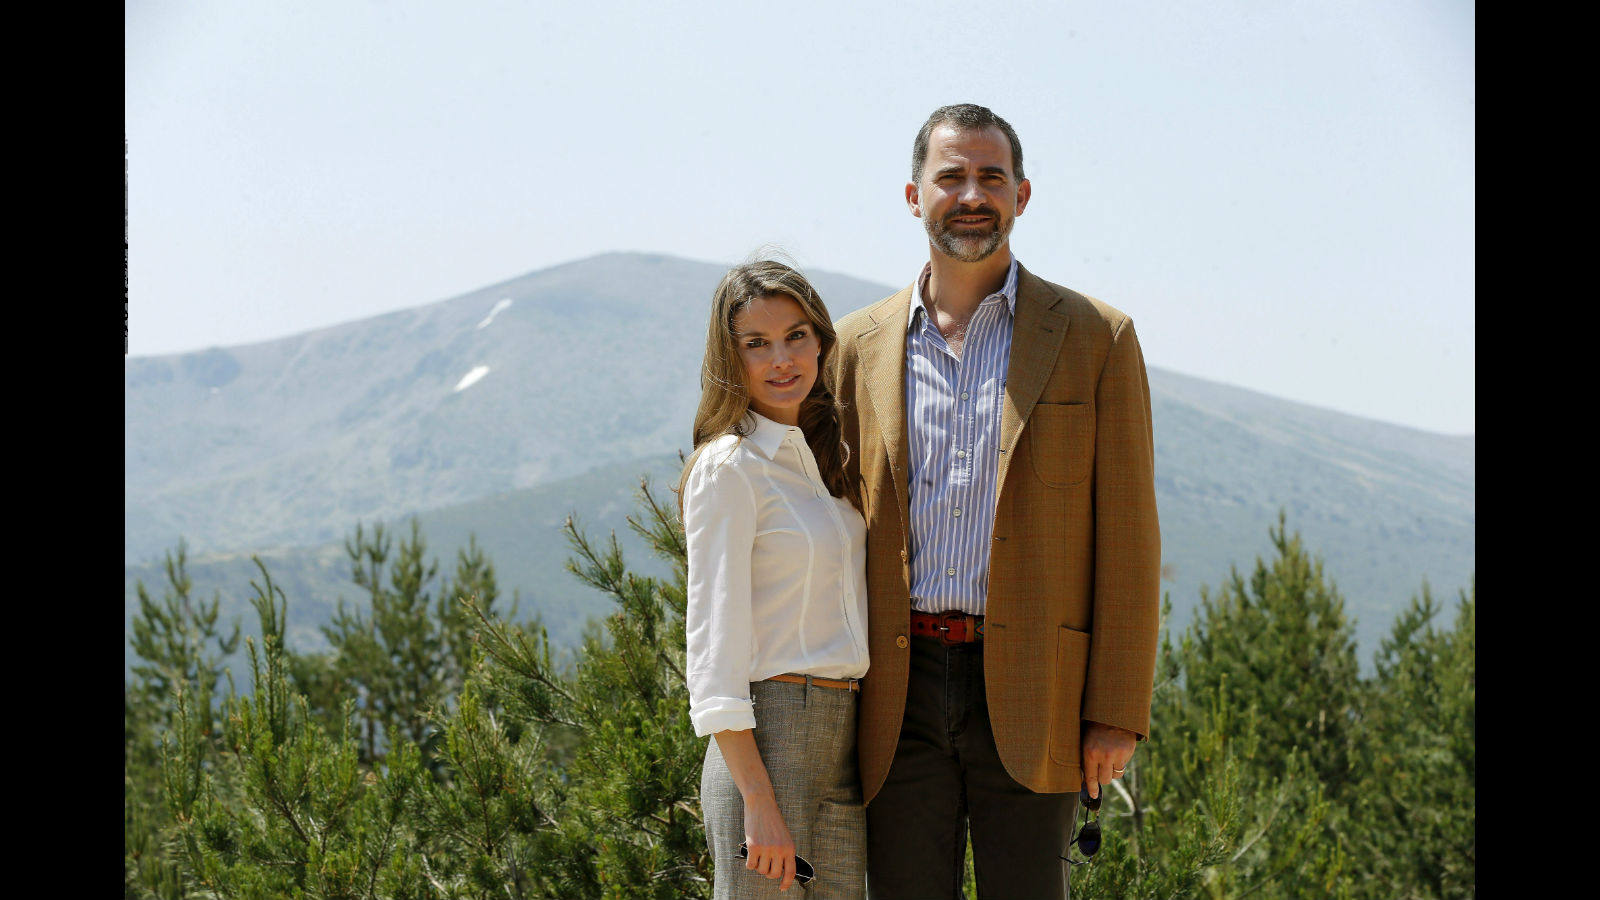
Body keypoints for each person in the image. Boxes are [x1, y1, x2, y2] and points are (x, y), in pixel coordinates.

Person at [829, 103, 1162, 899]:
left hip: (1038, 684)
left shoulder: (1096, 339)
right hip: (892, 692)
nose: (971, 194)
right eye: (951, 176)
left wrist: (1115, 710)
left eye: (991, 176)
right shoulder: (852, 347)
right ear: (914, 196)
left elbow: (1128, 536)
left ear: (1022, 194)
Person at [682, 259, 870, 898]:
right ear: (728, 359)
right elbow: (713, 652)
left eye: (795, 336)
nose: (781, 358)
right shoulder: (728, 467)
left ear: (821, 339)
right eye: (755, 344)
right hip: (769, 741)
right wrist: (756, 799)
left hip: (844, 742)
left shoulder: (826, 463)